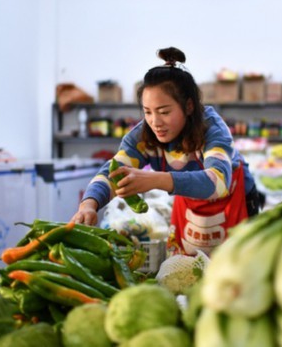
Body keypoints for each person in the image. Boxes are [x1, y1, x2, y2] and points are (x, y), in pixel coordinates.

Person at [71, 47, 261, 256]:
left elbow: (218, 182)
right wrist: (89, 204)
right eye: (148, 112)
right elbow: (114, 170)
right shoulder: (143, 136)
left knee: (236, 264)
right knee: (188, 265)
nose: (155, 122)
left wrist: (154, 179)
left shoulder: (212, 129)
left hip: (235, 201)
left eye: (164, 112)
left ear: (189, 106)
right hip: (190, 200)